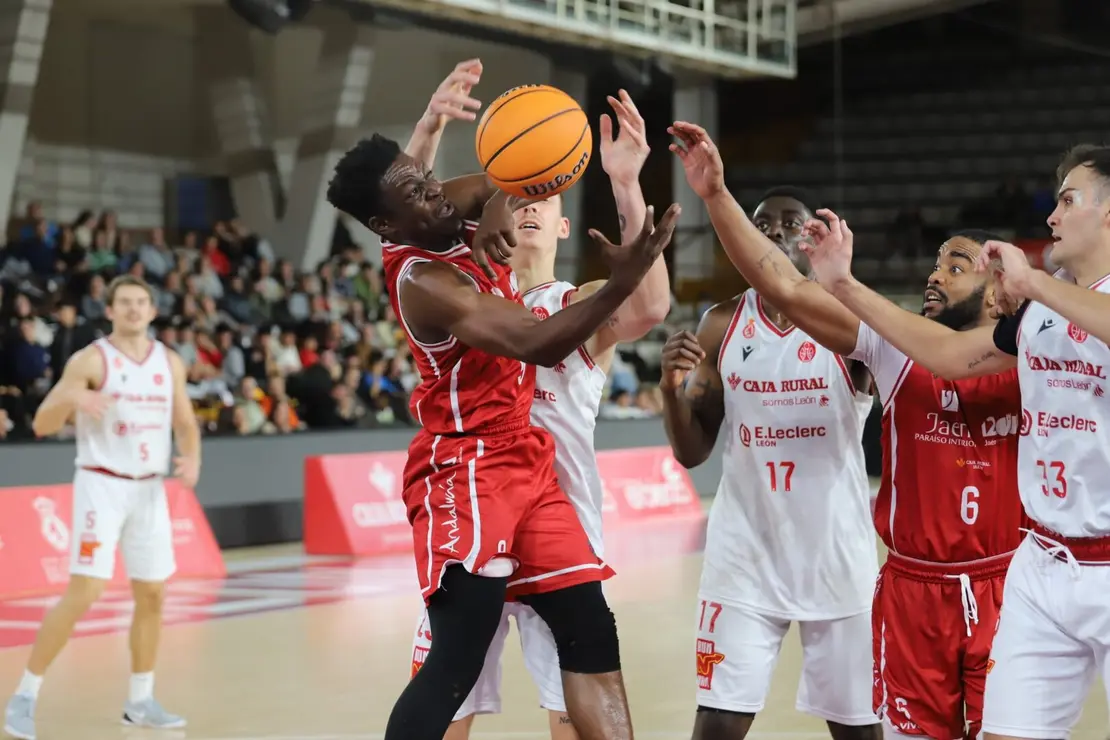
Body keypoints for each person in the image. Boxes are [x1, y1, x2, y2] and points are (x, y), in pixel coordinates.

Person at [324, 71, 681, 740]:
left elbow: (508, 173)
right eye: (416, 194)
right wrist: (623, 277)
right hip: (469, 468)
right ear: (385, 227)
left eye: (429, 181)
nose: (435, 194)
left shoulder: (443, 210)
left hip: (533, 463)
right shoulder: (425, 281)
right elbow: (537, 342)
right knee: (456, 661)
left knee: (591, 630)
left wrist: (486, 182)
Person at [665, 121, 1025, 740]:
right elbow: (780, 287)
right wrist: (716, 196)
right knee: (721, 724)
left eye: (955, 265)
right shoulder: (875, 344)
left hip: (907, 570)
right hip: (803, 567)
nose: (934, 275)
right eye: (935, 263)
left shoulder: (1020, 353)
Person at [802, 143, 1110, 740]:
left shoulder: (1043, 295)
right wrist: (844, 285)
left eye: (1069, 201)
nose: (1052, 215)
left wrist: (1035, 284)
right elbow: (946, 353)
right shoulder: (1039, 310)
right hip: (1043, 563)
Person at [661, 127, 879, 740]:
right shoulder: (720, 323)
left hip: (836, 560)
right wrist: (670, 392)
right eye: (762, 224)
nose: (775, 232)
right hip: (744, 560)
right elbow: (692, 452)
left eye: (789, 223)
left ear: (812, 237)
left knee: (859, 731)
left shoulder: (849, 319)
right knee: (716, 727)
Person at [4, 275, 201, 740]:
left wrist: (193, 457)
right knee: (86, 590)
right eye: (124, 302)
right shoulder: (91, 360)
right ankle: (25, 695)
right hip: (102, 484)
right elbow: (41, 423)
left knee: (153, 594)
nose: (133, 309)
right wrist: (72, 397)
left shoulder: (169, 362)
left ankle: (140, 701)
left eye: (141, 302)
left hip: (149, 488)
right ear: (109, 311)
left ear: (152, 311)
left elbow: (185, 422)